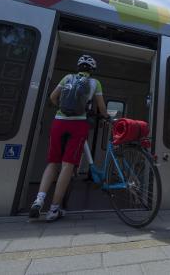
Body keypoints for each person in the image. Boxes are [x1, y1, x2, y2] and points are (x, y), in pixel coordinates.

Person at [29, 54, 108, 222]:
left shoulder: (67, 78)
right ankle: (54, 209)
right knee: (67, 165)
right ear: (92, 70)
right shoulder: (95, 83)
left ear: (78, 67)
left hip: (59, 122)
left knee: (52, 162)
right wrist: (105, 116)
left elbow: (52, 96)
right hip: (78, 125)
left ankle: (39, 200)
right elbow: (101, 108)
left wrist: (63, 108)